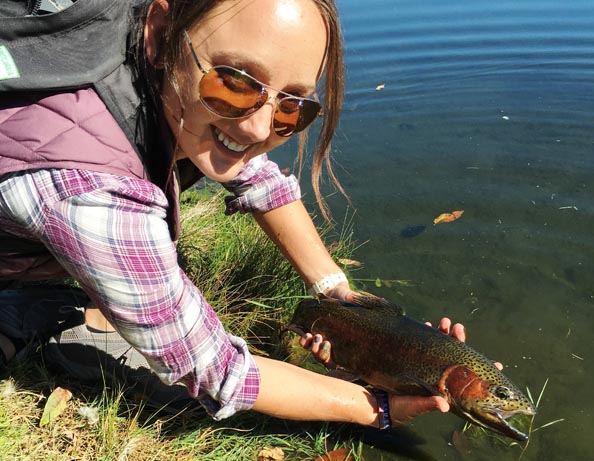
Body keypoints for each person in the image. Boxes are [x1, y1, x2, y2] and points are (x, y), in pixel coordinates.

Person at [0, 0, 455, 428]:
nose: (260, 126)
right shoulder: (97, 196)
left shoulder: (130, 49)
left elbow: (256, 178)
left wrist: (338, 296)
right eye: (235, 82)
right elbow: (217, 369)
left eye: (292, 105)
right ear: (160, 34)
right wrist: (375, 410)